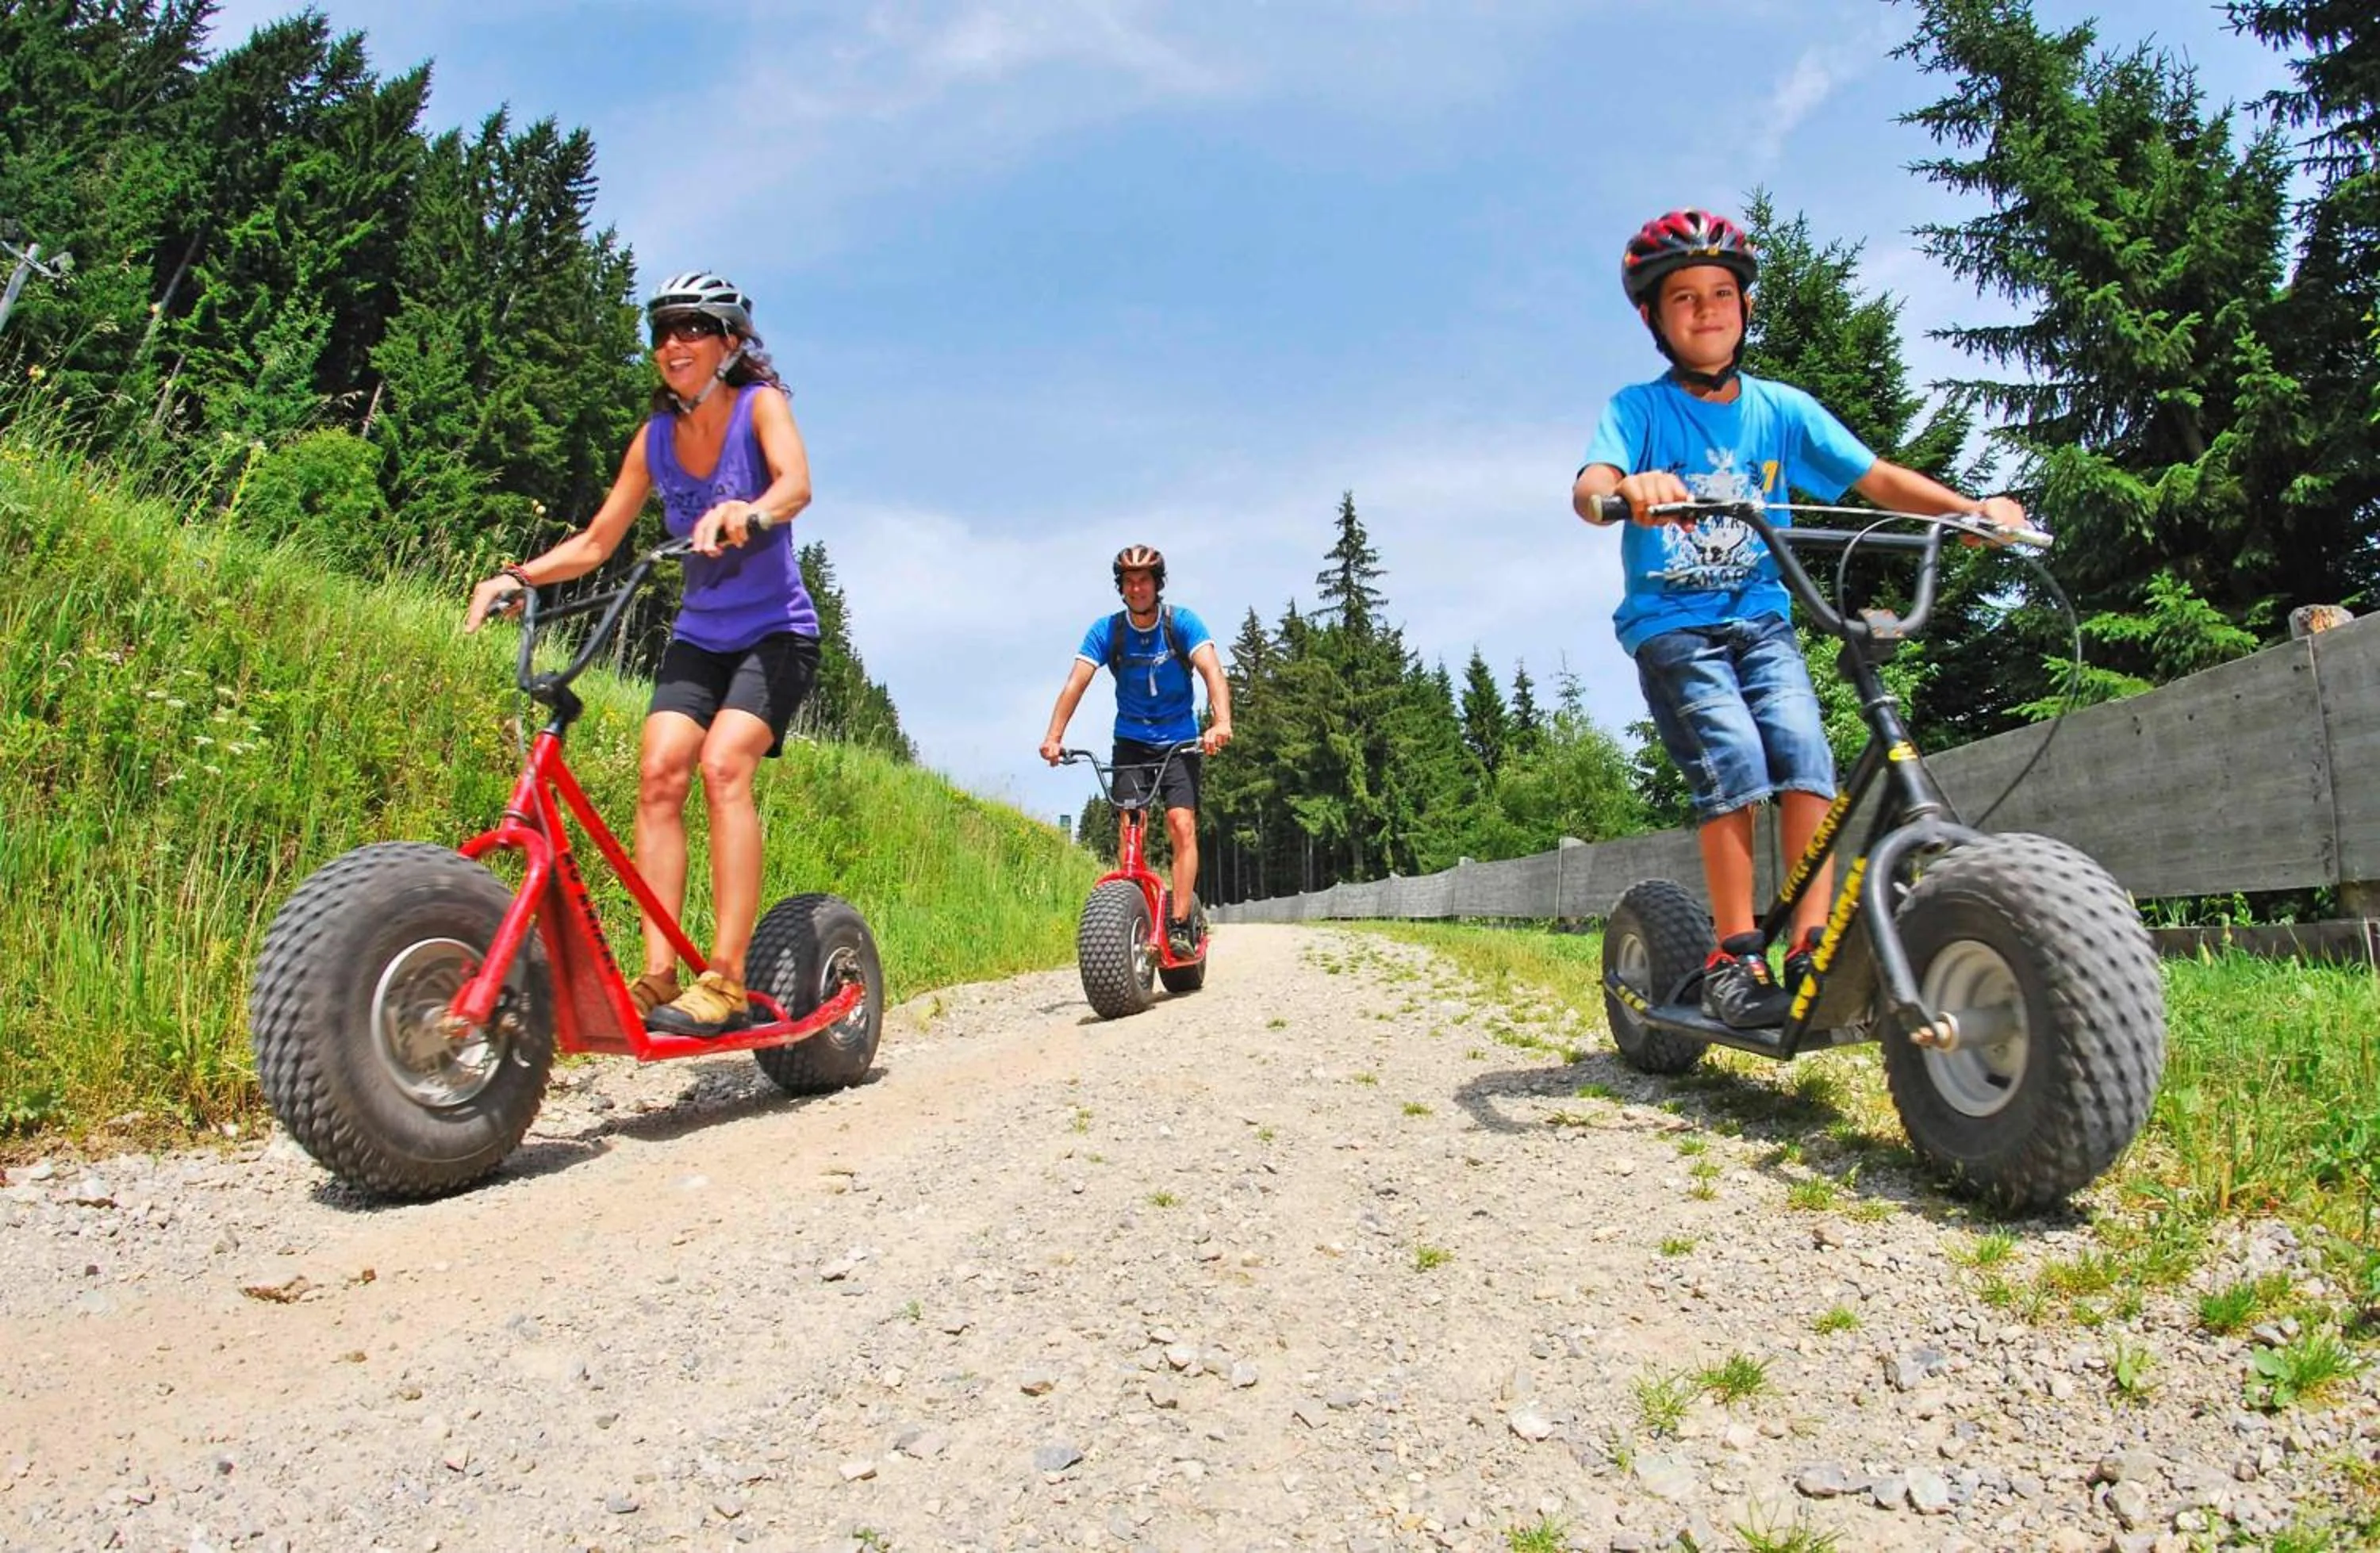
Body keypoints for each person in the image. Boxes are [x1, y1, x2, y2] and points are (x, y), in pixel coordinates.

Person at [1571, 209, 2026, 1029]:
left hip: (1762, 616)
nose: (1706, 309)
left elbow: (1876, 479)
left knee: (1806, 752)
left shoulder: (1782, 410)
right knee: (1737, 757)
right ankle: (1734, 955)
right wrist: (1628, 490)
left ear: (1745, 308)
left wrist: (1970, 511)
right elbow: (1590, 484)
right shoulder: (1640, 410)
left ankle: (1811, 943)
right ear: (1654, 318)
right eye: (1684, 297)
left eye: (1721, 292)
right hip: (1675, 624)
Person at [465, 270, 823, 1037]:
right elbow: (598, 542)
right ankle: (659, 977)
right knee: (659, 771)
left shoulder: (761, 407)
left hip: (776, 634)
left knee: (724, 765)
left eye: (692, 327)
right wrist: (517, 576)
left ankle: (723, 979)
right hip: (701, 633)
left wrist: (748, 510)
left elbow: (796, 486)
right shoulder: (655, 439)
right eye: (662, 331)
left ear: (730, 341)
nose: (673, 344)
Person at [1039, 546, 1234, 956]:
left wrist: (1221, 723)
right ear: (1121, 587)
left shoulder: (1180, 623)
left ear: (1157, 584)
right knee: (1132, 824)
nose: (1137, 587)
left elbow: (1212, 670)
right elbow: (1077, 682)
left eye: (1144, 579)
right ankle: (1133, 914)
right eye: (1129, 580)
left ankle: (1179, 924)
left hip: (1180, 742)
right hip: (1131, 741)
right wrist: (1054, 735)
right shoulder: (1108, 631)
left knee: (1181, 824)